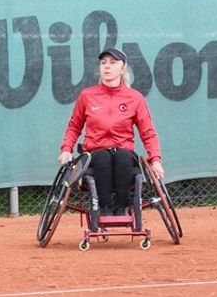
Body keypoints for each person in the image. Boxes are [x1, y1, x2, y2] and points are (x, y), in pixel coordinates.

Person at [58, 48, 164, 229]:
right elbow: (74, 127)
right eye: (103, 63)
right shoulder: (87, 96)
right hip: (95, 155)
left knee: (122, 156)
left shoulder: (135, 98)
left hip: (124, 154)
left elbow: (148, 132)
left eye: (113, 63)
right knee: (103, 156)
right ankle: (105, 208)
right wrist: (66, 150)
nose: (107, 67)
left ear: (123, 69)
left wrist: (155, 160)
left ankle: (122, 207)